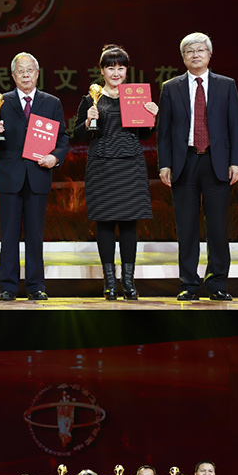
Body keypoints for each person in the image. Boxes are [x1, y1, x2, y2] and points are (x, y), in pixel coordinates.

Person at [157, 31, 238, 303]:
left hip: (217, 162)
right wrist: (165, 164)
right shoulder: (171, 87)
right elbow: (164, 131)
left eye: (200, 50)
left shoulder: (226, 85)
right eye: (189, 51)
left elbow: (235, 126)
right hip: (185, 162)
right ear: (183, 57)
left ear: (209, 54)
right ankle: (189, 284)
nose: (195, 55)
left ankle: (217, 283)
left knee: (218, 227)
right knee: (186, 228)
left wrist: (235, 161)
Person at [74, 45, 158, 300]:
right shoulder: (91, 98)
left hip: (130, 164)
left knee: (130, 223)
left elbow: (144, 135)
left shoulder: (136, 97)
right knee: (106, 223)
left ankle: (128, 282)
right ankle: (109, 282)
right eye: (111, 68)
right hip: (102, 165)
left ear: (127, 70)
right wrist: (87, 120)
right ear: (102, 71)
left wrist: (152, 118)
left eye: (121, 68)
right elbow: (77, 135)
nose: (116, 72)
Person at [0, 50, 69, 301]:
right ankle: (7, 287)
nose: (25, 75)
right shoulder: (0, 101)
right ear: (13, 75)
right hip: (10, 177)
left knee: (35, 234)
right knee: (8, 234)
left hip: (38, 175)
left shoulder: (51, 102)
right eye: (20, 71)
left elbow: (63, 138)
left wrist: (55, 158)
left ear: (37, 73)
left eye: (29, 70)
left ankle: (35, 286)